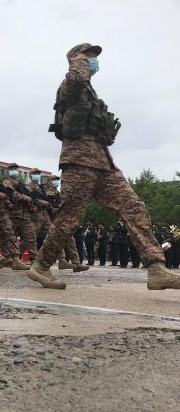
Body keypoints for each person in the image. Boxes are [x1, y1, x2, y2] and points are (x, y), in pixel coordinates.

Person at [29, 42, 180, 289]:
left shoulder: (91, 93)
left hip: (104, 163)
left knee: (134, 207)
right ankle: (41, 266)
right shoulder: (70, 87)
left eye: (93, 57)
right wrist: (78, 61)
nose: (93, 60)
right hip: (78, 162)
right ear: (77, 60)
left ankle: (156, 269)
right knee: (69, 218)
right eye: (88, 56)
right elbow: (76, 79)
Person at [2, 163, 36, 268]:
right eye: (12, 169)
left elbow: (30, 197)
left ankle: (34, 260)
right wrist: (25, 197)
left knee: (31, 236)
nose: (14, 170)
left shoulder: (21, 184)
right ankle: (12, 259)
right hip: (12, 214)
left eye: (16, 169)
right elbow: (12, 194)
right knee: (10, 237)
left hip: (24, 214)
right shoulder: (6, 182)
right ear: (8, 171)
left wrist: (31, 203)